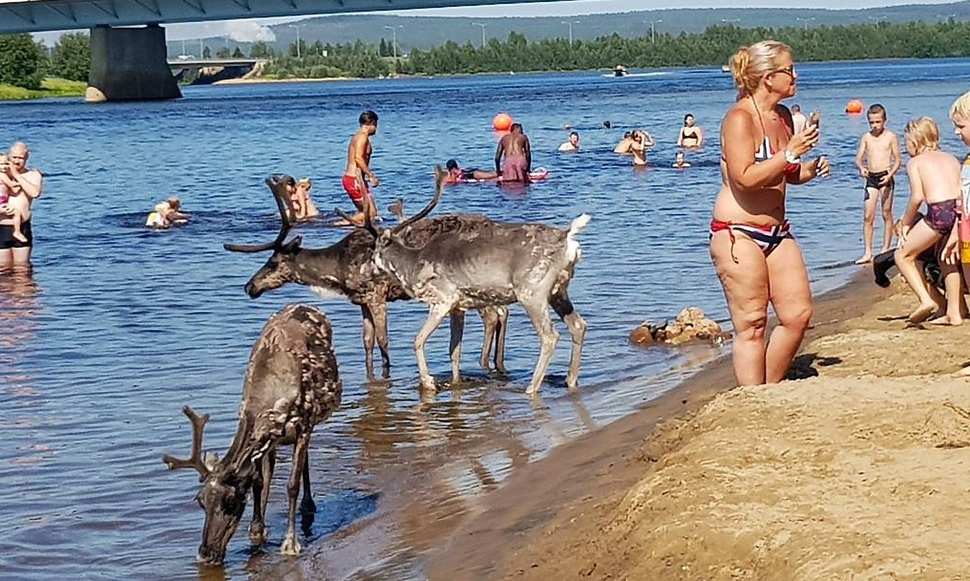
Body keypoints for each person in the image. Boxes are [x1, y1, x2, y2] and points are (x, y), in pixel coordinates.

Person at [709, 41, 828, 387]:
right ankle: (751, 397)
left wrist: (808, 168)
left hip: (776, 232)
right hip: (737, 232)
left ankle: (767, 389)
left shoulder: (784, 117)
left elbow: (785, 174)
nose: (796, 76)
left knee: (797, 314)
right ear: (766, 77)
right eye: (789, 70)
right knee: (752, 323)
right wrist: (790, 154)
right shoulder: (739, 118)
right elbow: (744, 179)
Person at [894, 117, 963, 325]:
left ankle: (926, 300)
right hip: (958, 210)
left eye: (906, 142)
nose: (906, 147)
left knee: (903, 255)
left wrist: (906, 223)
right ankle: (954, 313)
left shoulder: (915, 162)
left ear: (916, 141)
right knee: (947, 258)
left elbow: (917, 197)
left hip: (939, 211)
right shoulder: (951, 158)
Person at [854, 103, 901, 264]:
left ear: (884, 120)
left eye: (878, 122)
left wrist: (890, 174)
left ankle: (885, 248)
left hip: (886, 177)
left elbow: (897, 160)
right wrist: (861, 167)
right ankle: (867, 251)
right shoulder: (866, 137)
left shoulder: (890, 137)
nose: (875, 126)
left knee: (886, 212)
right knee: (868, 215)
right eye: (872, 122)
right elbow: (859, 157)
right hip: (871, 178)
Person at [944, 91, 970, 302]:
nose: (955, 132)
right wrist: (954, 233)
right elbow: (962, 202)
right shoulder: (968, 160)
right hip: (965, 231)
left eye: (961, 126)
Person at [0, 142, 43, 269]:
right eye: (14, 157)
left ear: (27, 157)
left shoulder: (33, 175)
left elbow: (34, 193)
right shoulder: (2, 175)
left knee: (22, 269)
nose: (17, 161)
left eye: (20, 158)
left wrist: (16, 175)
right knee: (3, 270)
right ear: (8, 156)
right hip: (2, 227)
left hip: (22, 227)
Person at [343, 110, 380, 224]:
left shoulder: (357, 136)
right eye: (376, 125)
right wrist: (370, 175)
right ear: (372, 123)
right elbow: (358, 158)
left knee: (367, 213)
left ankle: (354, 230)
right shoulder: (362, 137)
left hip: (358, 180)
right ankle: (339, 225)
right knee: (370, 213)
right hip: (354, 179)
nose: (376, 129)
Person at [0, 155, 26, 243]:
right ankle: (17, 232)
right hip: (1, 202)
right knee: (17, 213)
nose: (4, 167)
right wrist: (20, 180)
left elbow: (12, 191)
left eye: (6, 164)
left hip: (3, 201)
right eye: (1, 164)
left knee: (10, 220)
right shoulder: (2, 175)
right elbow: (12, 185)